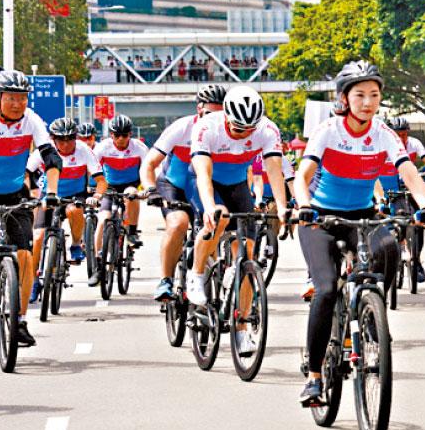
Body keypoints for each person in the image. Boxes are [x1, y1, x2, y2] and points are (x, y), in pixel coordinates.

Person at [294, 61, 425, 405]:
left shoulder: (384, 134)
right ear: (345, 98)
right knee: (326, 289)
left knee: (388, 247)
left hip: (363, 214)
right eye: (360, 95)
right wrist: (304, 205)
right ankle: (314, 376)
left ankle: (371, 310)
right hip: (321, 218)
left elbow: (409, 173)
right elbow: (302, 175)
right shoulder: (328, 130)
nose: (368, 102)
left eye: (374, 95)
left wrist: (424, 205)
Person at [186, 86, 288, 324]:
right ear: (226, 117)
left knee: (248, 252)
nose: (245, 134)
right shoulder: (206, 128)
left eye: (250, 130)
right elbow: (203, 173)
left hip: (237, 183)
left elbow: (274, 169)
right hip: (205, 181)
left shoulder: (268, 130)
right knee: (219, 216)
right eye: (239, 128)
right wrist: (209, 206)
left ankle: (242, 326)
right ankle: (197, 273)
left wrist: (282, 207)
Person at [0, 71, 61, 346]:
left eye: (23, 98)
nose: (18, 103)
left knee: (25, 256)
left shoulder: (31, 120)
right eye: (12, 98)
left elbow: (51, 157)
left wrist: (52, 193)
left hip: (15, 193)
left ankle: (19, 321)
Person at [142, 84, 227, 302]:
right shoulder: (181, 128)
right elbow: (149, 164)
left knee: (214, 225)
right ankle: (166, 280)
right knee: (178, 224)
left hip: (202, 186)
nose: (213, 120)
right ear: (199, 109)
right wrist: (151, 189)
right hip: (174, 186)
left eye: (220, 114)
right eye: (209, 114)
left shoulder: (226, 131)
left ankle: (213, 280)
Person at [28, 118, 105, 293]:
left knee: (74, 210)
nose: (65, 143)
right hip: (50, 196)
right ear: (52, 138)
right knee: (38, 237)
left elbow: (101, 180)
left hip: (75, 195)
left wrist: (97, 196)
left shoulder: (83, 150)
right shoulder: (45, 150)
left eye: (70, 138)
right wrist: (28, 195)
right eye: (60, 139)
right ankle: (33, 281)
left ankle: (77, 244)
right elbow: (25, 174)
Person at [90, 114, 146, 286]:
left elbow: (148, 169)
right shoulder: (103, 147)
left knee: (131, 194)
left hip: (131, 183)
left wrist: (145, 189)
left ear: (131, 135)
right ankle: (98, 264)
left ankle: (131, 232)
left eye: (125, 135)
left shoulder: (139, 148)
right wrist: (90, 189)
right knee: (103, 219)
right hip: (109, 186)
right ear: (111, 135)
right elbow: (91, 167)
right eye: (117, 135)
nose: (121, 139)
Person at [383, 116, 425, 282]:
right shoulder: (383, 145)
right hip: (387, 186)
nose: (402, 138)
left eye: (404, 134)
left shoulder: (414, 143)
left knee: (419, 220)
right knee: (386, 219)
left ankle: (416, 260)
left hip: (408, 184)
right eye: (398, 134)